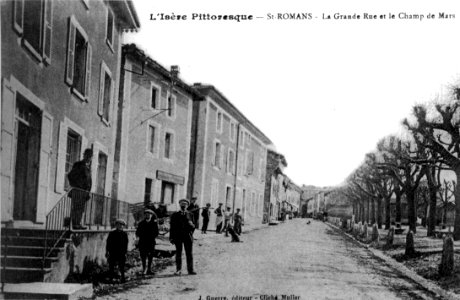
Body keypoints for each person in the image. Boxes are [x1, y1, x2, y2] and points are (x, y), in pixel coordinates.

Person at [169, 199, 196, 275]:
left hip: (188, 236)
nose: (183, 206)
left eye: (185, 205)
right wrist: (171, 237)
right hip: (178, 236)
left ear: (187, 206)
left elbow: (194, 226)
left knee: (189, 253)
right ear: (180, 205)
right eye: (182, 205)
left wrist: (191, 231)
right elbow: (172, 227)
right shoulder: (175, 215)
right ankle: (178, 270)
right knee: (178, 253)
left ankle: (190, 270)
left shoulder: (190, 214)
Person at [67, 148, 93, 229]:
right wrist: (77, 187)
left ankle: (77, 224)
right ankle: (75, 225)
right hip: (78, 191)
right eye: (87, 156)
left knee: (81, 209)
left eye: (90, 157)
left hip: (84, 193)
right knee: (76, 208)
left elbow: (88, 180)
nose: (88, 158)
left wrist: (88, 191)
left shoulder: (88, 167)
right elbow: (70, 176)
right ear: (84, 155)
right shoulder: (78, 164)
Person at [135, 209, 159, 275]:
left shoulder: (154, 224)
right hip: (143, 242)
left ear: (151, 215)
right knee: (143, 256)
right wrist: (142, 236)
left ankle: (149, 269)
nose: (148, 215)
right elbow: (138, 232)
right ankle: (144, 269)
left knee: (150, 256)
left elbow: (156, 233)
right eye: (146, 214)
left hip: (151, 242)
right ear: (145, 215)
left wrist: (150, 236)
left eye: (149, 214)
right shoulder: (141, 223)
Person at [106, 219, 128, 283]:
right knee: (111, 266)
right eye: (119, 224)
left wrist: (125, 252)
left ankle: (123, 278)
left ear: (123, 226)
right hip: (113, 252)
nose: (120, 226)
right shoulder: (112, 233)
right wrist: (107, 251)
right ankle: (111, 278)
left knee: (122, 266)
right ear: (116, 225)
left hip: (121, 252)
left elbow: (125, 244)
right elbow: (108, 243)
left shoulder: (124, 234)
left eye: (122, 225)